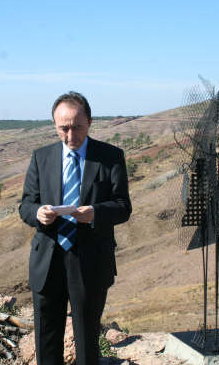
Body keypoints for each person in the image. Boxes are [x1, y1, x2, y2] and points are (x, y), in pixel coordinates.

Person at [19, 91, 132, 365]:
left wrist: (94, 213)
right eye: (63, 128)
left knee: (86, 340)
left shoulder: (110, 157)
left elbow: (123, 206)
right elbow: (26, 205)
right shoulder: (41, 157)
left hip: (90, 261)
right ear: (54, 125)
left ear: (90, 122)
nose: (70, 136)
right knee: (46, 338)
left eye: (77, 127)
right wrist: (39, 213)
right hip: (48, 261)